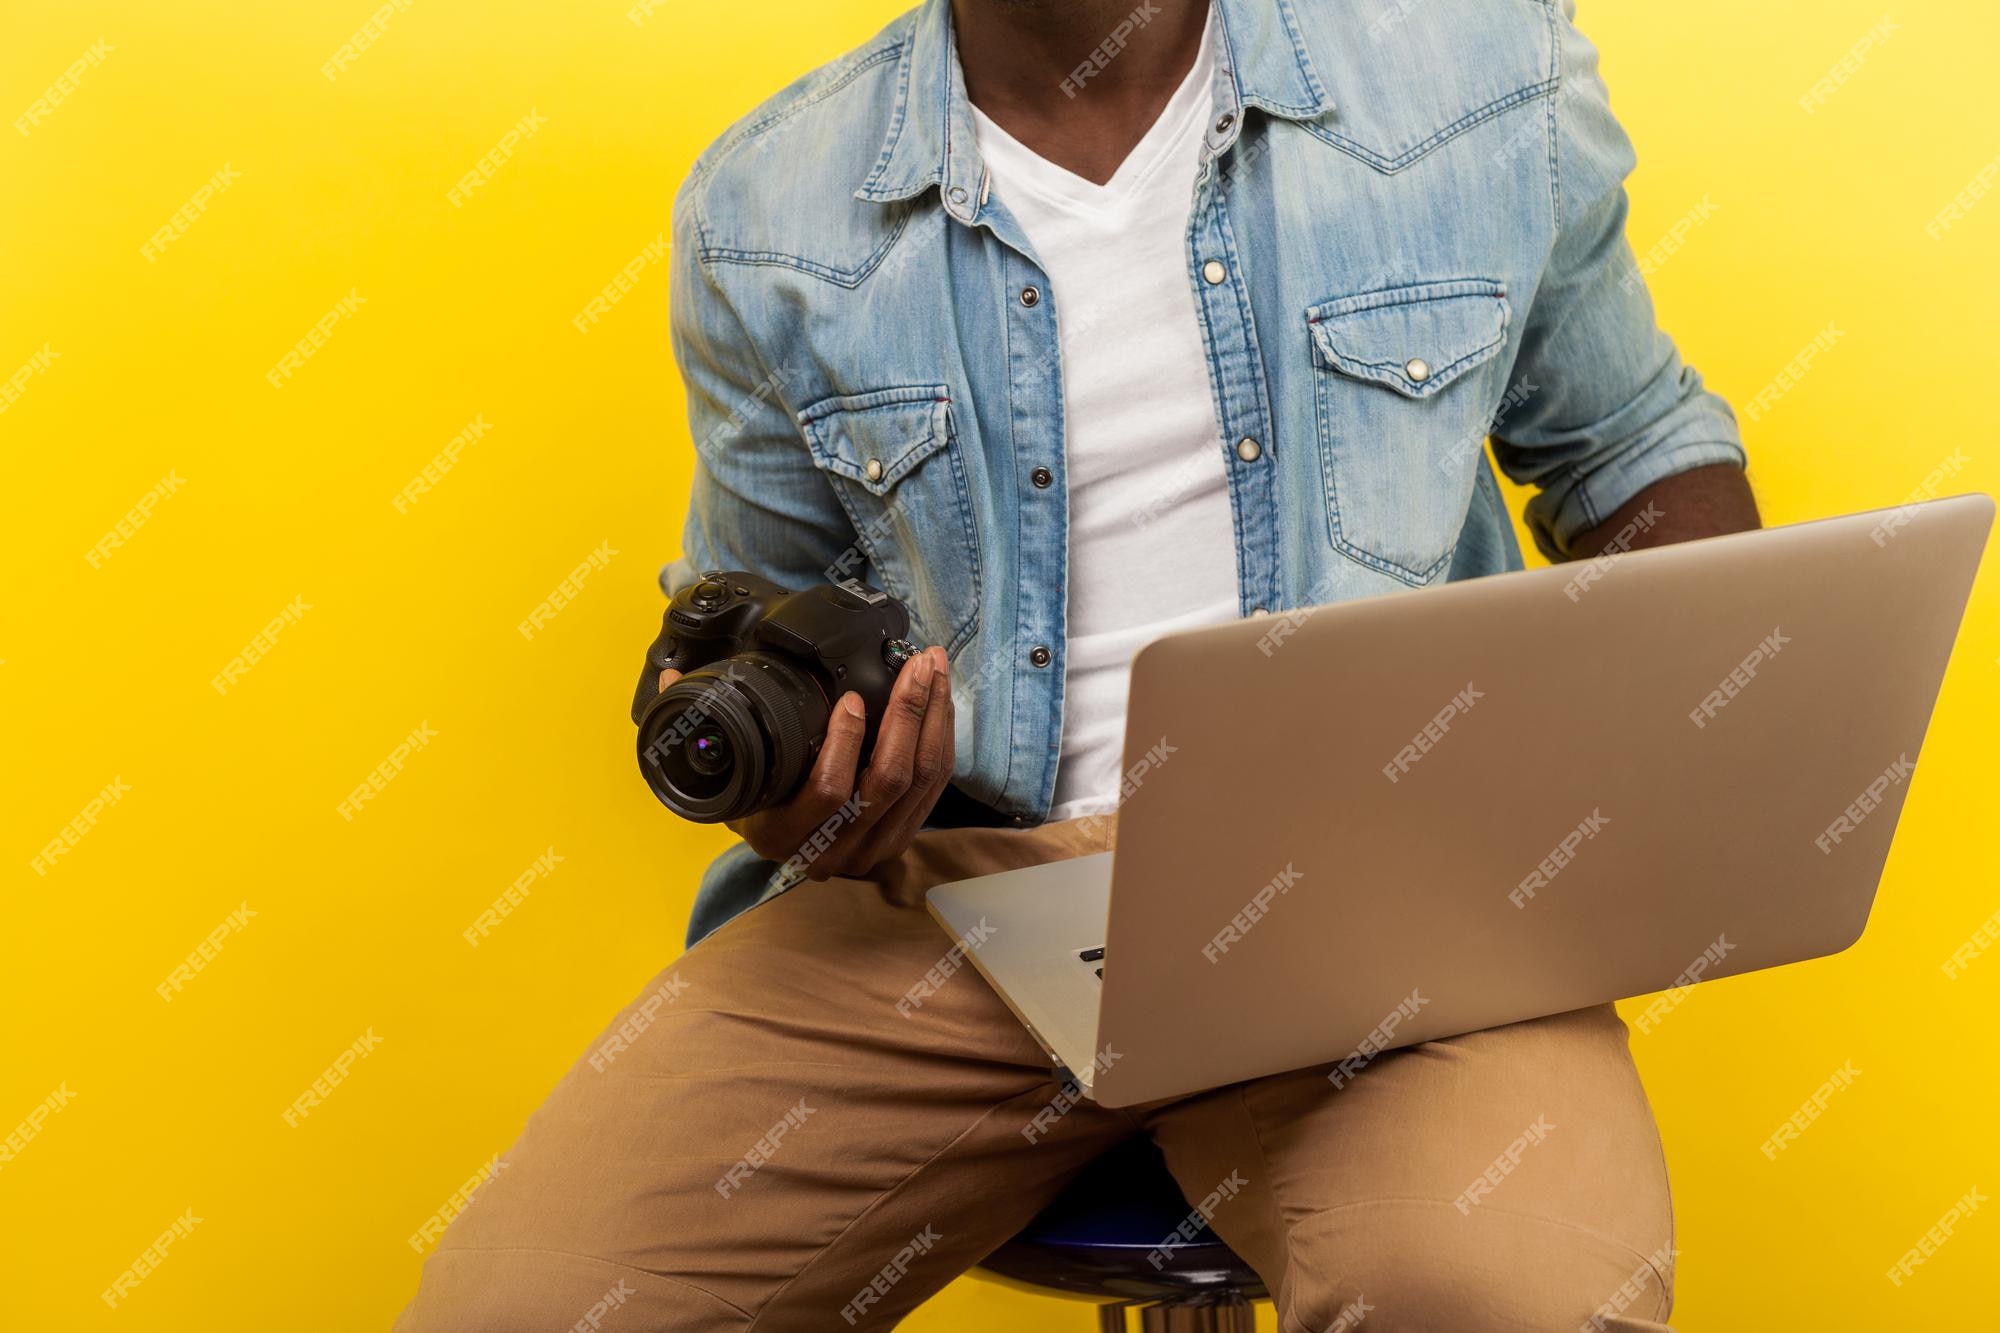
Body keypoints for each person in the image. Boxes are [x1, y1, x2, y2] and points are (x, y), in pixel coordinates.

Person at [398, 0, 1758, 1327]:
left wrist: (1677, 722)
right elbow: (758, 623)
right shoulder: (765, 208)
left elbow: (1631, 450)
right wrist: (803, 794)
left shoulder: (1477, 63)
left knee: (1505, 1300)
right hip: (955, 899)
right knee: (526, 1308)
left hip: (1392, 884)